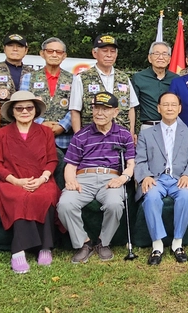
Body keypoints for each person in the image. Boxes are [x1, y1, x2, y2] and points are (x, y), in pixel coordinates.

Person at [58, 92, 136, 263]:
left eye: (105, 109)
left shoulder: (124, 135)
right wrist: (70, 180)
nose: (99, 113)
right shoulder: (81, 134)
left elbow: (131, 164)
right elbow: (71, 164)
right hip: (83, 179)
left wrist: (123, 178)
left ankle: (103, 242)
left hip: (111, 179)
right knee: (65, 204)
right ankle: (83, 243)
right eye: (96, 108)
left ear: (115, 112)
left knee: (115, 204)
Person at [0, 91, 60, 274]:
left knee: (45, 195)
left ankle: (45, 247)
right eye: (19, 108)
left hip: (41, 179)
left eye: (29, 107)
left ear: (35, 111)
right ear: (12, 112)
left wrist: (43, 178)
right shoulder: (1, 134)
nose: (24, 111)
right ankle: (18, 251)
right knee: (20, 198)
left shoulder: (45, 132)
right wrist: (16, 181)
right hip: (12, 181)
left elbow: (52, 160)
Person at [135, 92, 188, 265]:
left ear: (179, 108)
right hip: (156, 178)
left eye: (173, 105)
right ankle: (157, 245)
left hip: (180, 178)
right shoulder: (147, 134)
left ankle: (177, 243)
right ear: (158, 108)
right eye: (165, 104)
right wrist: (146, 176)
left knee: (186, 196)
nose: (169, 108)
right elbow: (140, 160)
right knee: (151, 197)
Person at [69, 34, 138, 138]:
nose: (109, 55)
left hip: (121, 138)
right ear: (95, 53)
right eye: (105, 51)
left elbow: (131, 108)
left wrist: (131, 133)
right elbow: (75, 111)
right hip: (92, 138)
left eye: (113, 51)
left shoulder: (124, 78)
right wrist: (79, 138)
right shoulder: (82, 78)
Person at [30, 37, 74, 152]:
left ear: (64, 56)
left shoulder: (73, 79)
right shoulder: (29, 78)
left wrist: (63, 126)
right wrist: (41, 123)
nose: (54, 55)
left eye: (58, 52)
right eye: (50, 51)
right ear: (42, 53)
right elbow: (22, 105)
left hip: (65, 141)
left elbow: (76, 106)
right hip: (35, 137)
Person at [0, 34, 36, 131]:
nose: (15, 49)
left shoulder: (33, 74)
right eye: (10, 45)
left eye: (19, 46)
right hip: (0, 125)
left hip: (27, 126)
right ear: (4, 48)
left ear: (26, 50)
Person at [132, 41, 180, 132]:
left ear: (169, 59)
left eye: (164, 54)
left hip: (172, 127)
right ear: (150, 58)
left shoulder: (176, 79)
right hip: (149, 127)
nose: (161, 57)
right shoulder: (138, 78)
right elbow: (132, 107)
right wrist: (132, 131)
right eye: (156, 54)